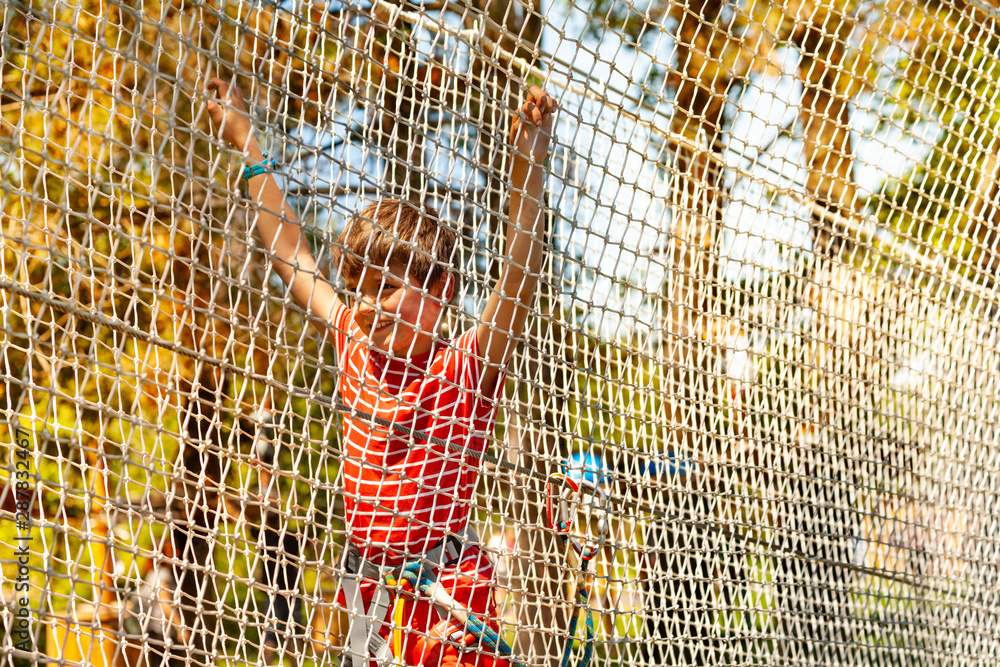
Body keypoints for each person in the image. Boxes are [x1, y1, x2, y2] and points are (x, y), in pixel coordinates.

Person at [207, 74, 557, 667]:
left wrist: (527, 177)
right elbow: (290, 248)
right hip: (369, 587)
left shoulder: (463, 366)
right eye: (360, 289)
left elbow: (518, 279)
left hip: (449, 588)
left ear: (441, 289)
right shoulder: (353, 342)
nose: (368, 305)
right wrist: (247, 140)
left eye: (388, 288)